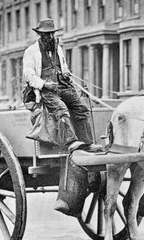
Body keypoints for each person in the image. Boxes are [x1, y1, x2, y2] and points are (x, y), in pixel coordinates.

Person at [23, 18, 103, 152]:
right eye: (46, 34)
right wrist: (45, 84)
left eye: (52, 34)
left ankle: (87, 143)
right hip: (46, 91)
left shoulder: (58, 48)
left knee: (81, 108)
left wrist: (66, 74)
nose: (50, 37)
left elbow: (64, 67)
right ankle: (71, 142)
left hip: (62, 87)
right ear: (40, 35)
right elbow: (28, 75)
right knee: (61, 110)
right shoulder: (31, 51)